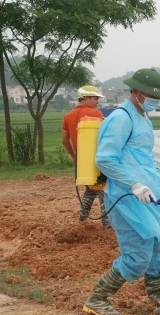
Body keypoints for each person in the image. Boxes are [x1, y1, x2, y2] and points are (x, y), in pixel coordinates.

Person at [82, 68, 160, 315]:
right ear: (135, 92)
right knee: (137, 254)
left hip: (148, 195)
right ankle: (97, 299)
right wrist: (134, 184)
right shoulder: (121, 118)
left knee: (156, 247)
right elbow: (105, 159)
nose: (155, 100)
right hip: (126, 198)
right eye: (149, 95)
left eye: (158, 97)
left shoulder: (143, 117)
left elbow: (145, 160)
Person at [61, 85, 111, 229]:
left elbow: (64, 140)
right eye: (95, 98)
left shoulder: (68, 116)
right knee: (103, 189)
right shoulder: (95, 113)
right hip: (97, 158)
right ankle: (107, 225)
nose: (97, 101)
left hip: (82, 160)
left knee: (90, 189)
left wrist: (74, 156)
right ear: (86, 98)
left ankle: (83, 220)